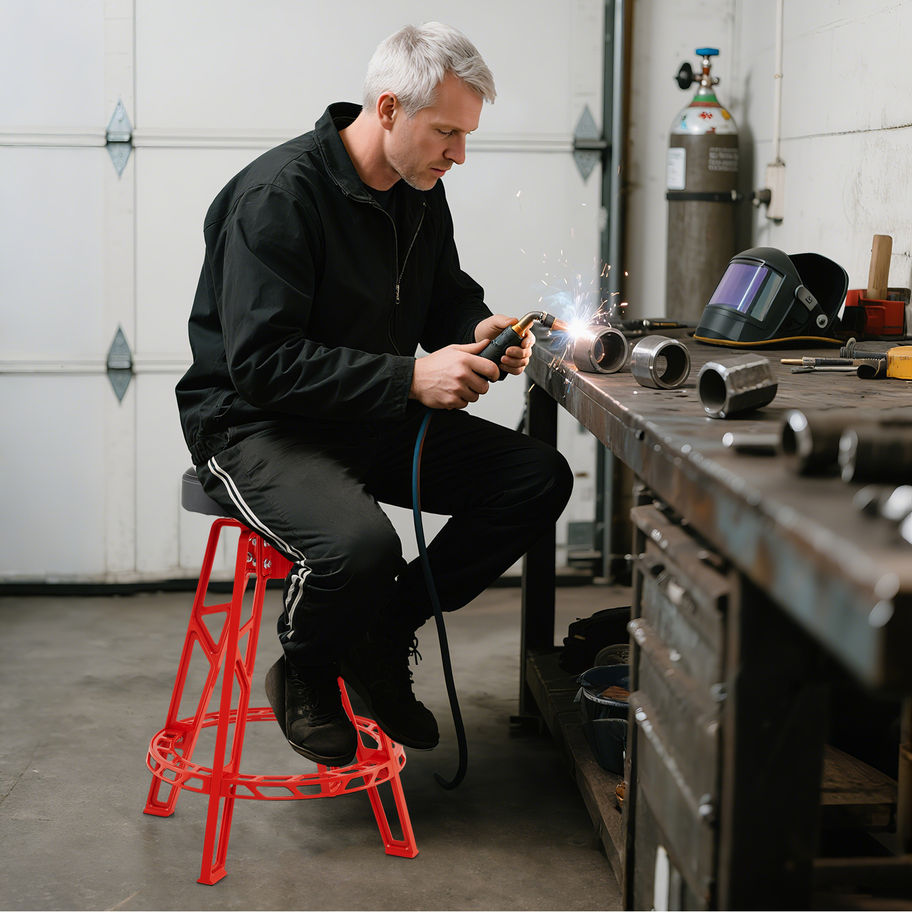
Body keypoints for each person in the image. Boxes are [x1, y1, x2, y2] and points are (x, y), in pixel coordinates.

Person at [175, 22, 573, 767]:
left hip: (367, 413)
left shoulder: (418, 190)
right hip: (256, 427)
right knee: (359, 547)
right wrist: (410, 379)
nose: (459, 155)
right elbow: (262, 364)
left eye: (466, 135)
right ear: (388, 109)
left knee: (536, 477)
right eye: (447, 132)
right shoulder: (277, 197)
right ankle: (306, 668)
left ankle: (382, 632)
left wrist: (474, 325)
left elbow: (439, 297)